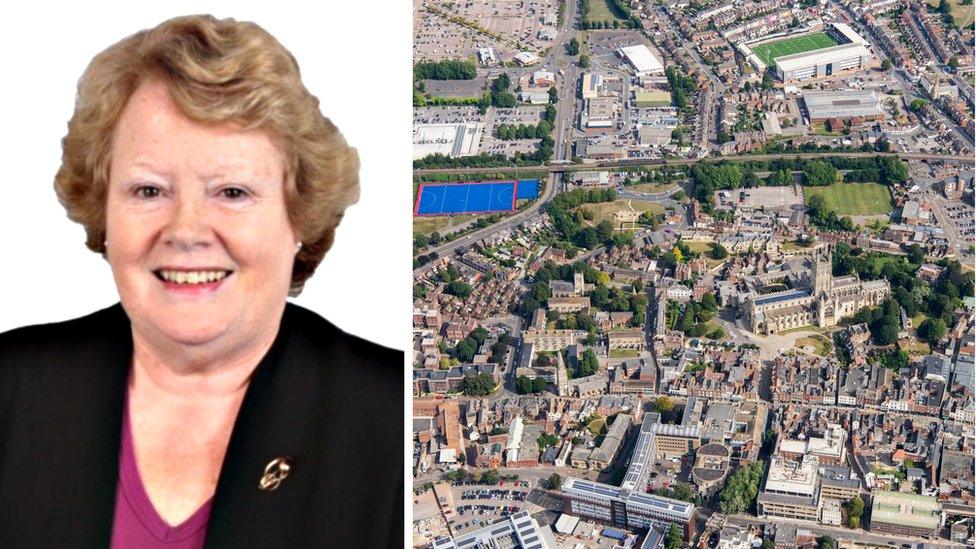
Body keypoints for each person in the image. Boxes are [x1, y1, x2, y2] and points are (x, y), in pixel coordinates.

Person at [0, 15, 402, 548]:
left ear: (300, 217)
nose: (186, 231)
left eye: (231, 192)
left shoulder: (388, 419)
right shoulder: (12, 391)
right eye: (148, 191)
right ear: (103, 213)